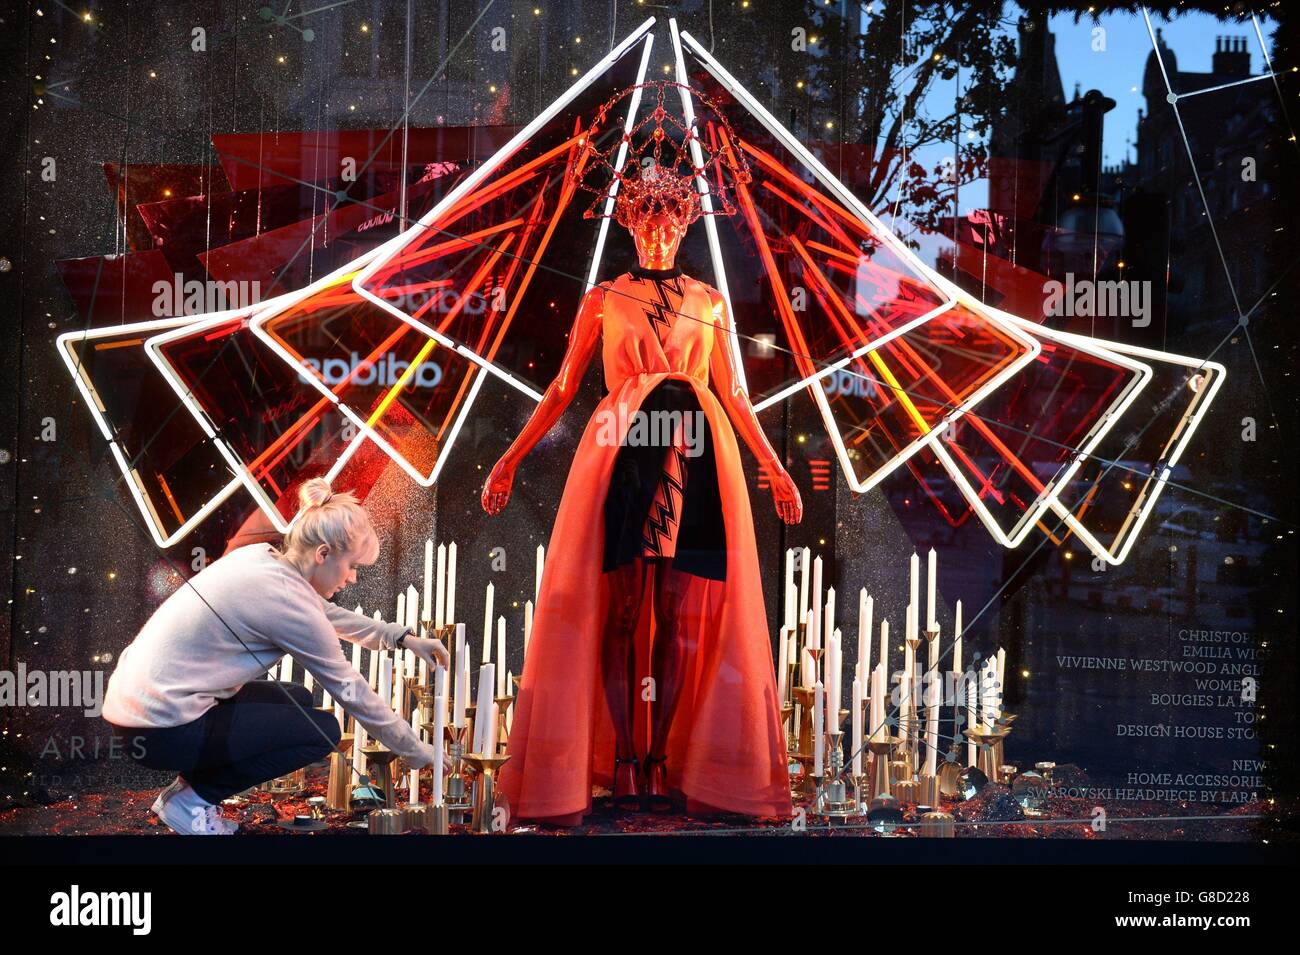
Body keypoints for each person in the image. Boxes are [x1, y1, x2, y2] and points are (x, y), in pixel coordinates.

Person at [481, 157, 802, 825]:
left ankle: (662, 756)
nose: (658, 234)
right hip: (626, 449)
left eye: (671, 221)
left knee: (682, 613)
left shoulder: (709, 301)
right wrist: (509, 458)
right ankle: (627, 754)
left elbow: (735, 392)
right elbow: (565, 386)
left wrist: (774, 466)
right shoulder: (603, 297)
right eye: (646, 221)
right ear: (627, 223)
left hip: (694, 449)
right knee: (626, 608)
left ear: (686, 225)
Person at [103, 478, 450, 834]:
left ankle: (184, 793)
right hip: (161, 729)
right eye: (351, 566)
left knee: (297, 699)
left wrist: (402, 638)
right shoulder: (288, 603)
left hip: (139, 716)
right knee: (324, 731)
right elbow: (353, 693)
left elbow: (323, 614)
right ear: (324, 554)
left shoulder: (260, 559)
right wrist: (416, 751)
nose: (354, 579)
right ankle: (193, 801)